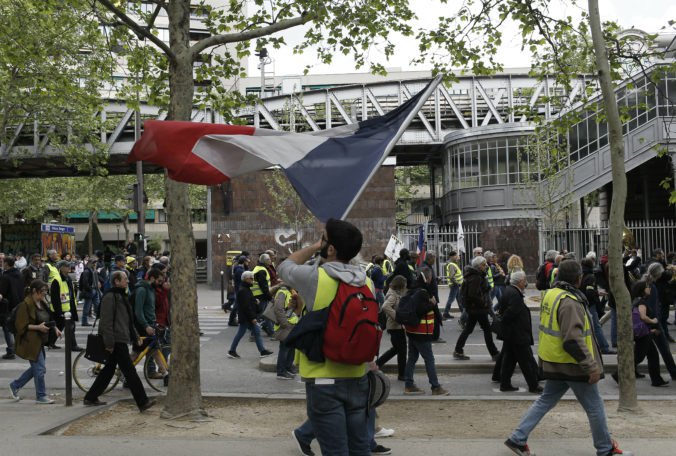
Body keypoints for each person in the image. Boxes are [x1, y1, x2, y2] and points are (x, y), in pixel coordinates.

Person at [504, 260, 632, 456]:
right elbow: (572, 339)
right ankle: (605, 449)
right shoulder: (570, 301)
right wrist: (591, 366)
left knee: (545, 400)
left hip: (555, 361)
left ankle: (517, 438)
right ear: (579, 279)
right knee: (595, 406)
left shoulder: (551, 294)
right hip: (573, 364)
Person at [278, 218, 373, 455]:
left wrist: (313, 247)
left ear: (330, 248)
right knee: (360, 447)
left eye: (323, 237)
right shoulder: (367, 283)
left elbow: (284, 267)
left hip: (323, 380)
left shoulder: (316, 277)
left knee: (335, 451)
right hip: (358, 376)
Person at [83, 271, 155, 411]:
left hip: (120, 338)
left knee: (108, 371)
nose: (127, 281)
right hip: (115, 340)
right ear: (116, 281)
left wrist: (135, 337)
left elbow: (128, 320)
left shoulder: (121, 295)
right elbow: (106, 323)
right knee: (129, 371)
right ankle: (142, 401)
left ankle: (91, 397)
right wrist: (109, 343)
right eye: (125, 279)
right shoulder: (110, 297)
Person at [10, 280, 61, 404]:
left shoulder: (42, 303)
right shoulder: (25, 305)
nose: (44, 294)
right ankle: (41, 396)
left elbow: (48, 317)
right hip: (30, 341)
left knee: (38, 368)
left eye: (45, 291)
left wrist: (55, 328)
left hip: (39, 341)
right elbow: (21, 326)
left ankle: (15, 385)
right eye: (42, 291)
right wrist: (38, 327)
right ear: (34, 291)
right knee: (39, 369)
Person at [611, 280, 667, 387]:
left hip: (645, 333)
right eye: (647, 287)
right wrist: (653, 321)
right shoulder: (642, 302)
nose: (649, 288)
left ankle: (657, 380)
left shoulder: (639, 300)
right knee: (638, 357)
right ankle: (618, 374)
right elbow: (643, 317)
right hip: (643, 335)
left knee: (653, 355)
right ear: (642, 290)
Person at [402, 268, 449, 396]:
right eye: (431, 278)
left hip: (412, 331)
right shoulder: (422, 293)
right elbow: (420, 310)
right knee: (429, 359)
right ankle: (435, 387)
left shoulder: (412, 290)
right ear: (427, 279)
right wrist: (432, 304)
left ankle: (409, 385)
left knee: (412, 358)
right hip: (422, 332)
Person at [493, 270, 541, 393]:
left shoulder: (509, 290)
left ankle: (505, 384)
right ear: (520, 282)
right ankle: (533, 385)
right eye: (524, 281)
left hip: (512, 334)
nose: (525, 283)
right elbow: (511, 312)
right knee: (526, 361)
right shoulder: (514, 294)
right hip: (517, 334)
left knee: (509, 360)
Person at [453, 256, 499, 361]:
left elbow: (477, 291)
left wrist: (485, 289)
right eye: (484, 264)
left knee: (468, 329)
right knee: (487, 330)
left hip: (474, 308)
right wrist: (483, 303)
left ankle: (458, 350)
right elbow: (473, 294)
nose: (486, 266)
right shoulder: (476, 277)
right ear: (478, 266)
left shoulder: (475, 275)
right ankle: (494, 353)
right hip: (478, 309)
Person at [227, 270, 273, 359]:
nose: (252, 280)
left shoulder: (245, 289)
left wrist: (254, 300)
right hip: (246, 317)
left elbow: (247, 302)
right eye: (250, 278)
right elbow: (246, 306)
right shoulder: (244, 290)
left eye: (252, 278)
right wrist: (252, 318)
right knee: (241, 333)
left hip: (246, 316)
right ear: (245, 279)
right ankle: (232, 351)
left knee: (256, 332)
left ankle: (262, 351)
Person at [376, 275, 408, 380]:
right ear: (400, 286)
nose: (405, 287)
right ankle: (402, 374)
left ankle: (378, 364)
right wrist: (396, 316)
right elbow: (385, 306)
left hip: (396, 326)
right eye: (404, 285)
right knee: (402, 350)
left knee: (397, 349)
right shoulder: (393, 295)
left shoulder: (395, 293)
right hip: (395, 326)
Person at [49, 260, 82, 351]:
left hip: (69, 308)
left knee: (63, 326)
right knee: (68, 327)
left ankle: (50, 343)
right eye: (67, 266)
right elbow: (55, 298)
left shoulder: (68, 278)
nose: (69, 268)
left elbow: (71, 294)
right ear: (62, 268)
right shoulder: (57, 280)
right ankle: (72, 345)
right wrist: (59, 311)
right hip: (61, 309)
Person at [272, 285, 302, 379]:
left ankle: (288, 368)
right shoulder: (283, 292)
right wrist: (284, 323)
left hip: (291, 324)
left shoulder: (291, 292)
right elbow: (278, 308)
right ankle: (281, 372)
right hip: (286, 325)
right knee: (284, 349)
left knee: (291, 348)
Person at [1, 256, 23, 359]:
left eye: (3, 262)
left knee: (7, 328)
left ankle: (11, 350)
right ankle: (18, 348)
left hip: (8, 305)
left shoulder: (5, 276)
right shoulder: (19, 274)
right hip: (19, 304)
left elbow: (2, 292)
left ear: (6, 264)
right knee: (15, 327)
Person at [252, 253, 275, 336]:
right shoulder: (262, 270)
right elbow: (263, 286)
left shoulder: (258, 268)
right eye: (269, 259)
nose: (270, 260)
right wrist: (269, 297)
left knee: (266, 314)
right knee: (260, 315)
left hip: (258, 295)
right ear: (265, 261)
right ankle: (253, 333)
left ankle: (270, 331)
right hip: (261, 296)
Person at [443, 251, 463, 320]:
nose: (457, 257)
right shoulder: (451, 264)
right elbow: (452, 276)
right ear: (451, 257)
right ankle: (445, 313)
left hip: (456, 285)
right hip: (455, 285)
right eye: (456, 256)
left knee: (459, 299)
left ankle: (463, 312)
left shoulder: (454, 263)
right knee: (451, 299)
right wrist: (457, 283)